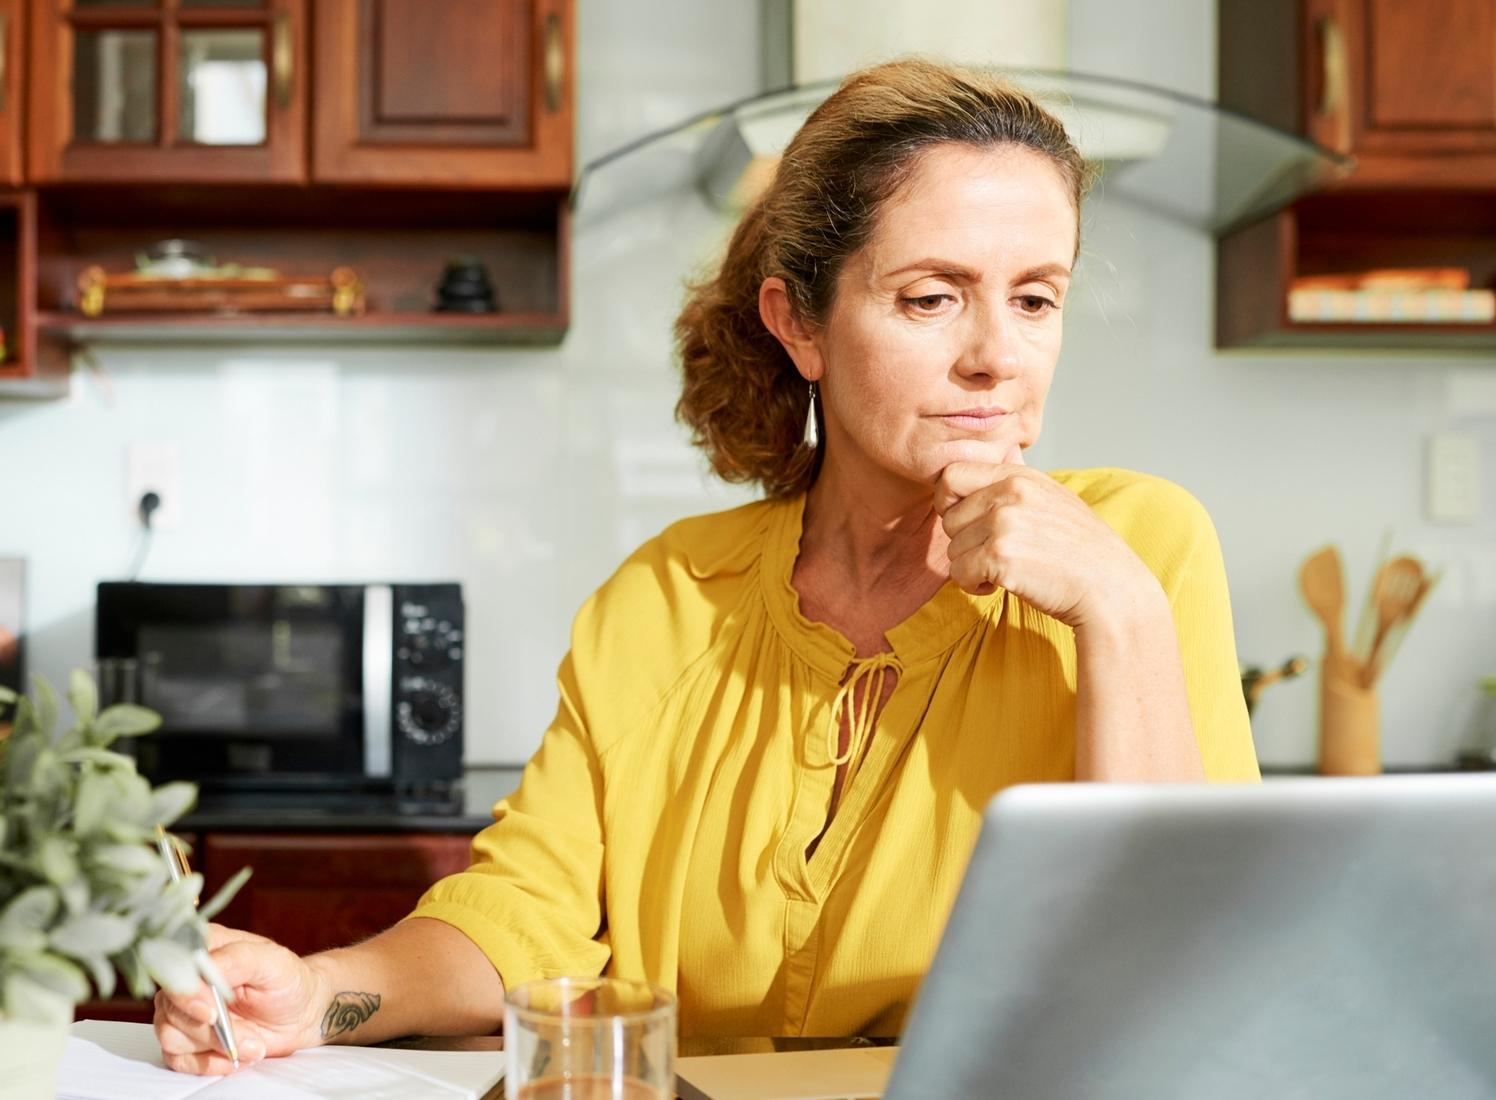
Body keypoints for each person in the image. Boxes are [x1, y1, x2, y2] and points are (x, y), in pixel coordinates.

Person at [153, 57, 1259, 1074]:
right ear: (800, 323)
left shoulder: (1136, 548)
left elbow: (1189, 976)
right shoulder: (667, 594)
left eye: (1034, 297)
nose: (995, 357)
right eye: (931, 296)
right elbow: (524, 910)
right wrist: (319, 989)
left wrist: (1116, 610)